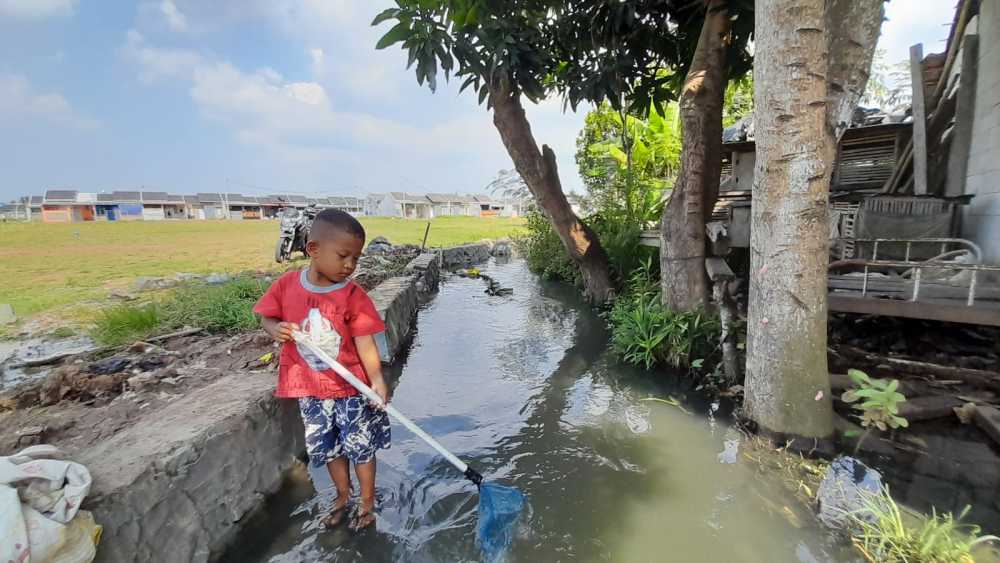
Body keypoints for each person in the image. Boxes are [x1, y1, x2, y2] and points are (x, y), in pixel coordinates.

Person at [254, 208, 390, 530]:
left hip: (350, 391)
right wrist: (274, 329)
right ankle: (344, 496)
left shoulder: (353, 296)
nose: (350, 266)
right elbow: (266, 316)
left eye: (355, 258)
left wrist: (376, 382)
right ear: (314, 250)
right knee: (328, 449)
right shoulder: (287, 286)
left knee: (360, 447)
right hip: (311, 391)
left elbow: (366, 344)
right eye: (344, 256)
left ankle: (367, 502)